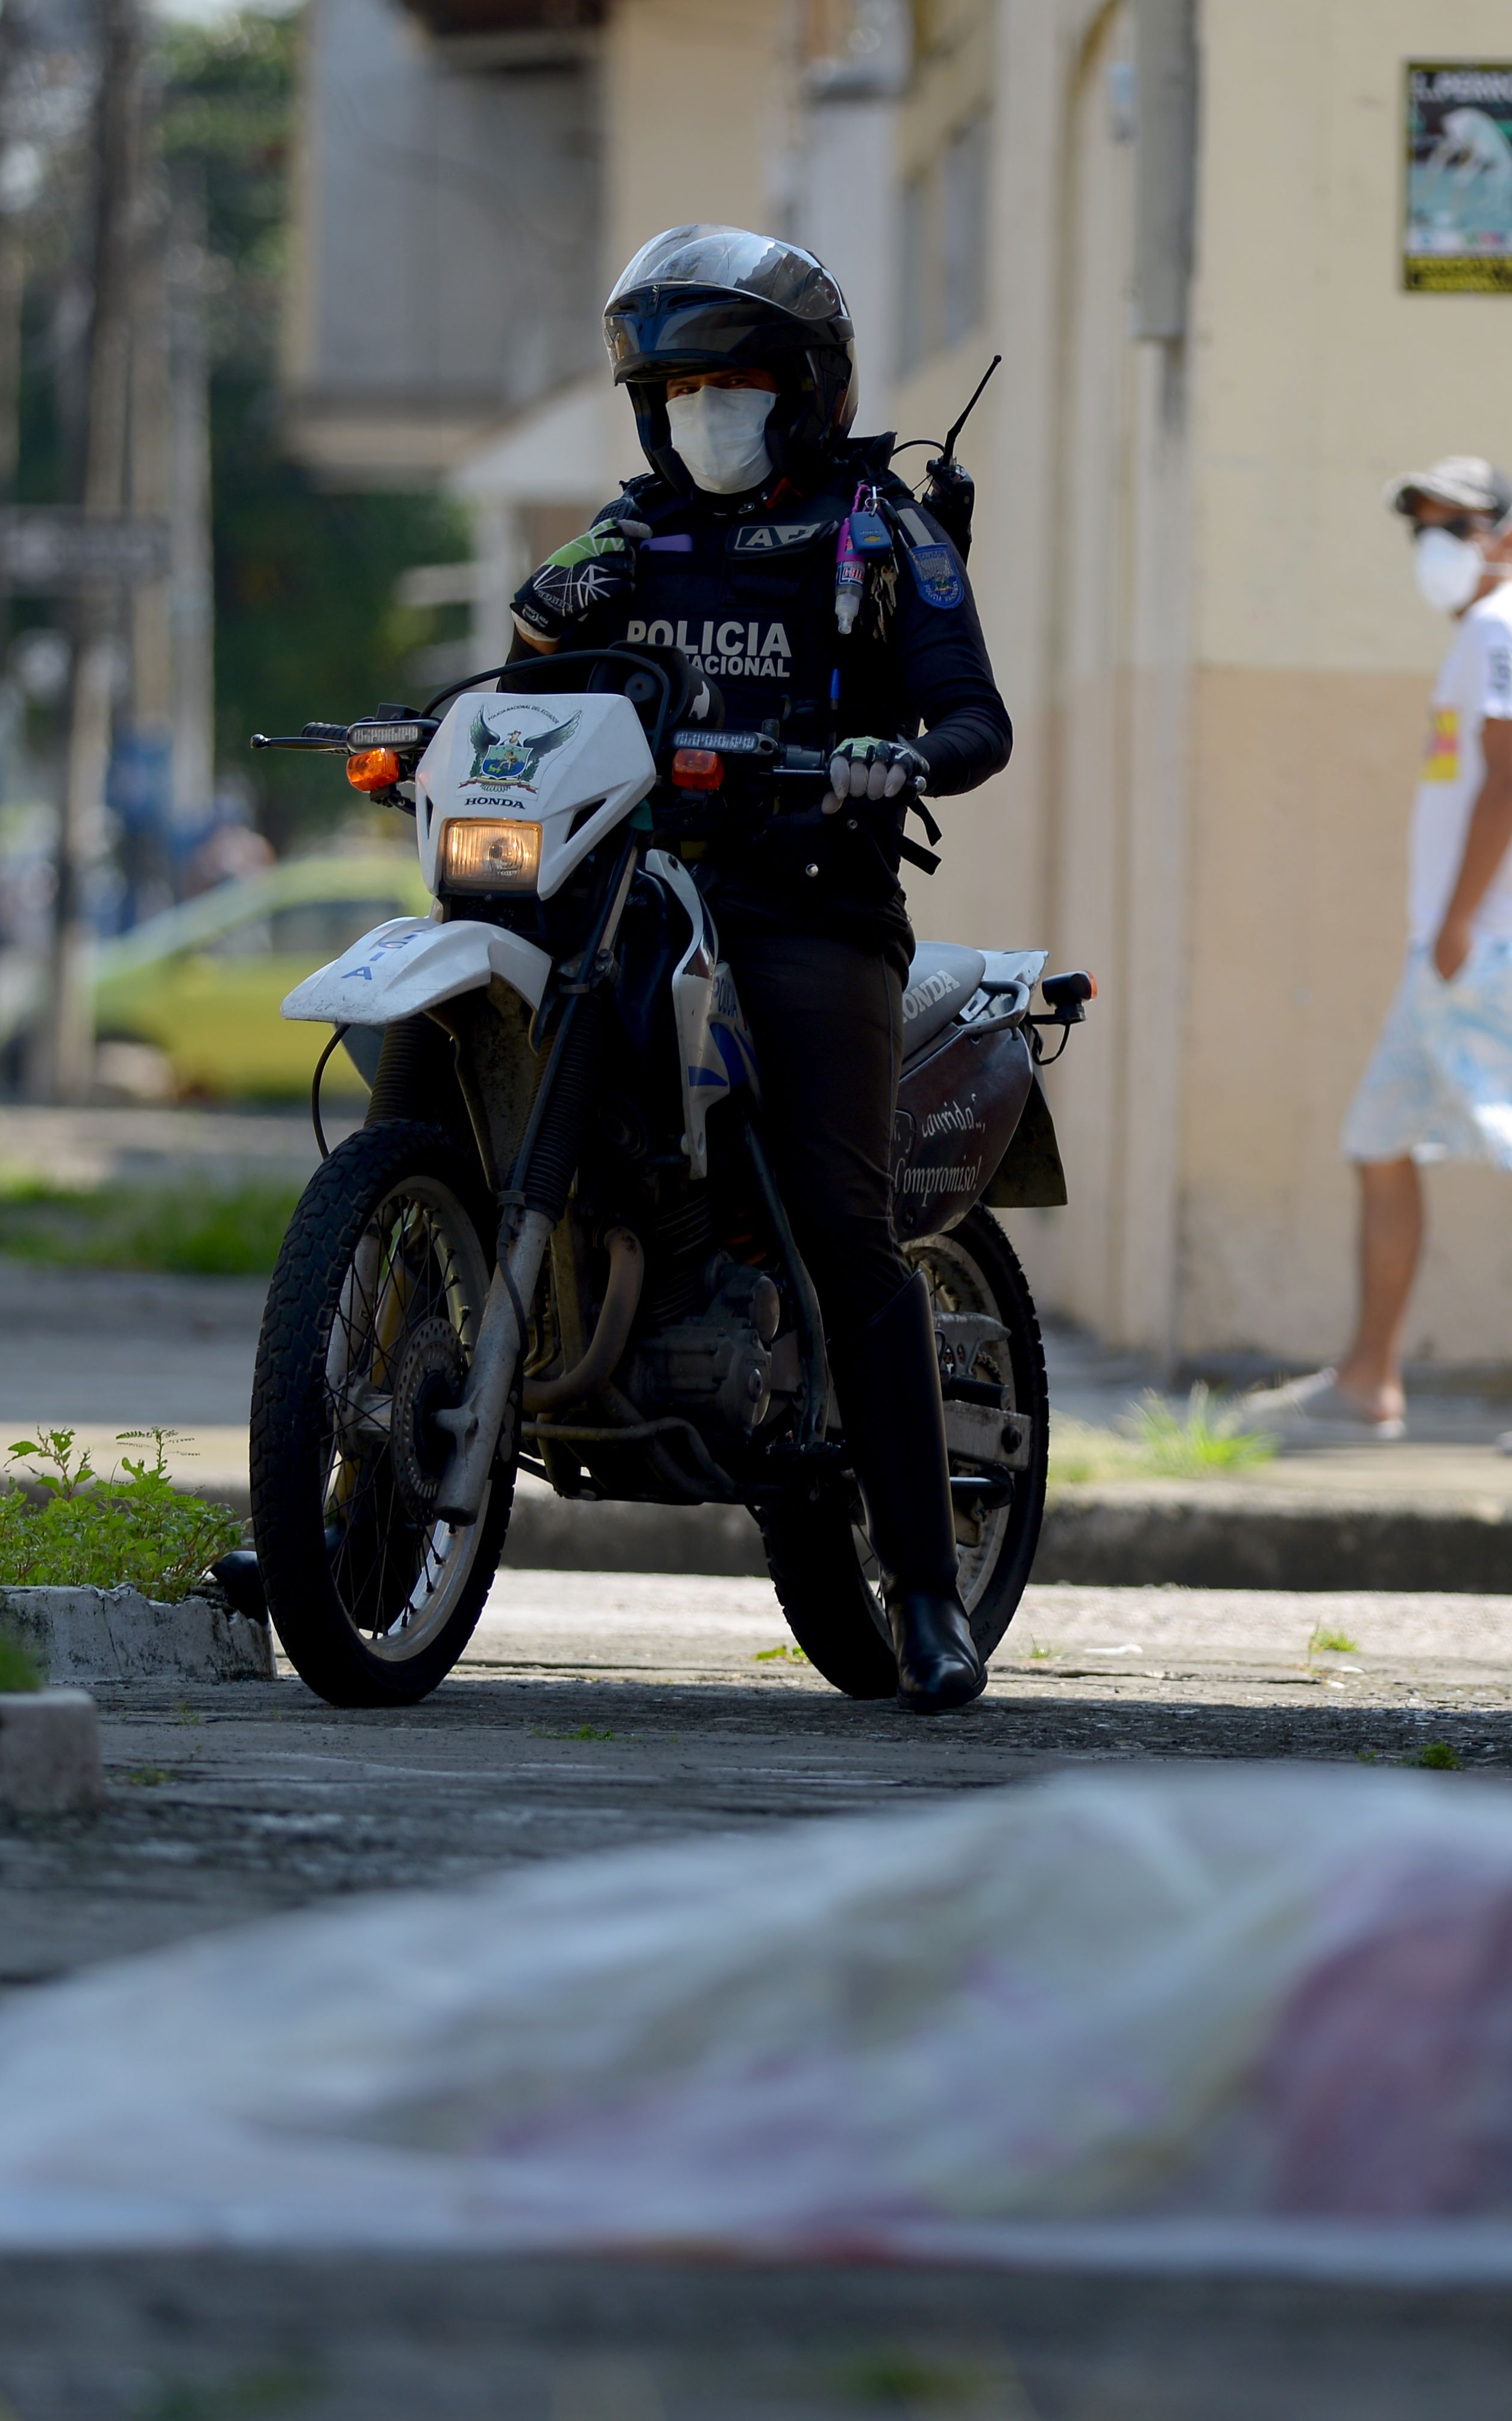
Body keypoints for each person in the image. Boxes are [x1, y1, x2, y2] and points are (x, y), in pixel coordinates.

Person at [506, 225, 1012, 1711]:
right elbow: (533, 665)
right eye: (671, 392)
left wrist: (891, 755)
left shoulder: (878, 530)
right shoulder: (628, 534)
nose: (696, 414)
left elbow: (973, 720)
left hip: (804, 906)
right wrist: (544, 622)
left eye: (727, 383)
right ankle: (352, 1503)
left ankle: (925, 1594)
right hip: (630, 893)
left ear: (798, 389)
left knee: (848, 1236)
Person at [1246, 456, 1512, 1454]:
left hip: (1486, 951)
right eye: (1422, 527)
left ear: (1508, 537)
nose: (1434, 544)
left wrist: (1459, 926)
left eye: (1456, 525)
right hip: (1473, 947)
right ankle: (1367, 1383)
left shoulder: (1501, 629)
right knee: (1381, 1142)